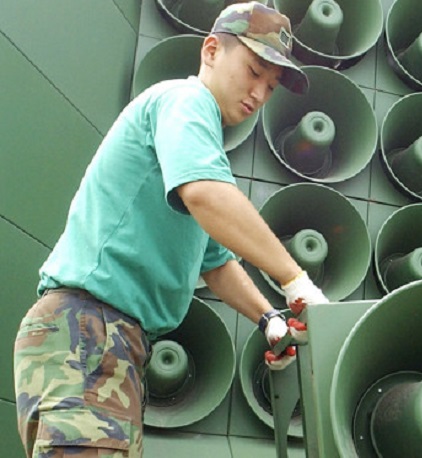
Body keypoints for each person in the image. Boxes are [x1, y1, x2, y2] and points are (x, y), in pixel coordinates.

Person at [12, 3, 327, 457]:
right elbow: (206, 195)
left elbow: (216, 264)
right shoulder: (185, 102)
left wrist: (269, 319)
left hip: (110, 341)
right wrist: (296, 281)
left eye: (271, 87)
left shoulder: (197, 147)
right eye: (254, 71)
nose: (259, 94)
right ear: (212, 50)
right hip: (92, 330)